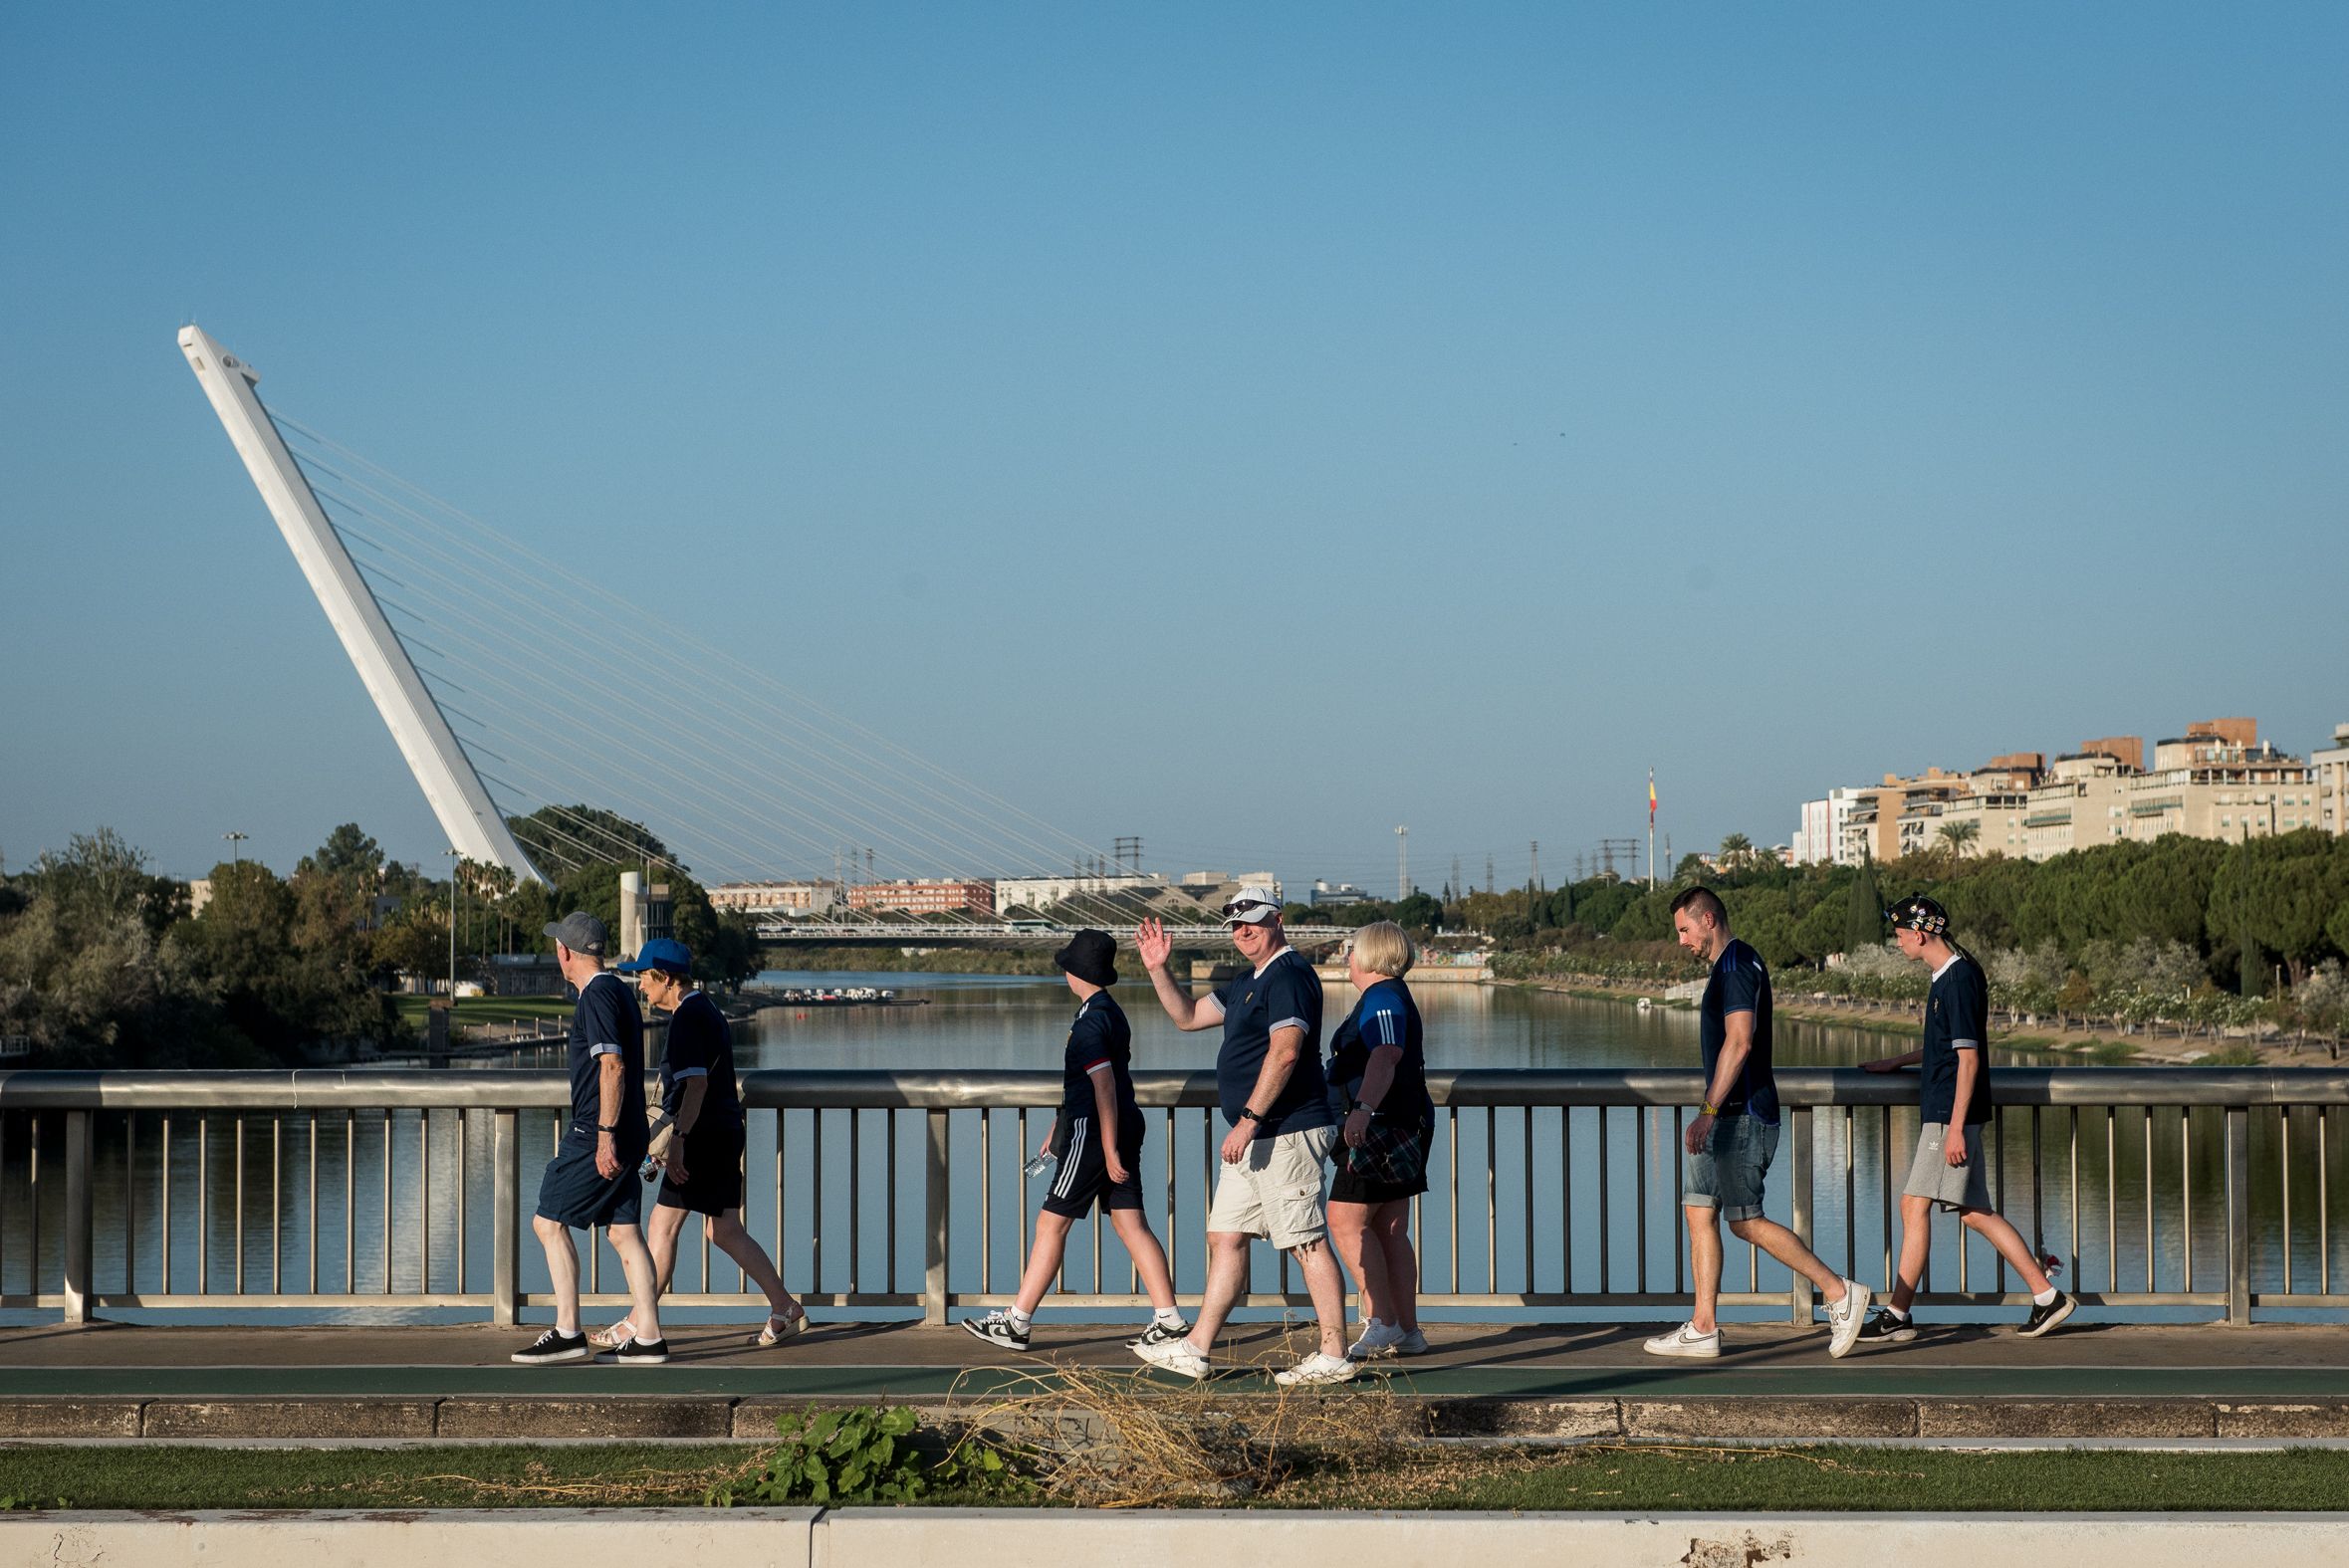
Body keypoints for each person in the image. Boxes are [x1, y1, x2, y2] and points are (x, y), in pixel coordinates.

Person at [1130, 888, 1354, 1386]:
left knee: (1306, 1241)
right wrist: (1156, 968)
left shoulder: (1290, 975)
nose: (1242, 932)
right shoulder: (1246, 981)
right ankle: (1196, 1349)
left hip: (1285, 1129)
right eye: (1234, 926)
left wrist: (1250, 1119)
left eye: (1251, 921)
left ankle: (1335, 1354)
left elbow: (1287, 1052)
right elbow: (1187, 1018)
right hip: (1255, 1136)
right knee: (1226, 1236)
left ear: (1277, 919)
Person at [1645, 887, 1872, 1359]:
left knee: (1745, 1221)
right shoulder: (1728, 967)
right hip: (1724, 1114)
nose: (1682, 941)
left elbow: (1740, 1042)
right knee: (1698, 1209)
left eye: (1684, 930)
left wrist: (1708, 1111)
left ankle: (1839, 1292)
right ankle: (1704, 1327)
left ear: (1708, 919)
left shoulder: (1736, 966)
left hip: (1742, 1116)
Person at [1856, 895, 2076, 1344]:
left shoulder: (1956, 980)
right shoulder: (1953, 974)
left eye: (1898, 936)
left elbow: (1969, 1060)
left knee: (1912, 1205)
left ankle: (1897, 1313)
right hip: (1949, 1114)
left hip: (1947, 1117)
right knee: (1974, 1214)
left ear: (1918, 934)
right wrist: (1895, 1063)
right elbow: (1946, 1046)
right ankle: (2046, 1296)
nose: (1897, 944)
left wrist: (1955, 1127)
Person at [961, 929, 1187, 1354]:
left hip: (1096, 1131)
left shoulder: (1088, 1022)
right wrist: (1059, 1129)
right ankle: (1170, 1319)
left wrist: (1105, 1146)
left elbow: (1102, 1087)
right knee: (1130, 1223)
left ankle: (1017, 1323)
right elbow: (1096, 1084)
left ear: (1071, 971)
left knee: (1052, 1222)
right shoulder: (1111, 1012)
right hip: (1116, 1124)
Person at [588, 937, 807, 1351]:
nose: (639, 986)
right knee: (724, 1230)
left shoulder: (688, 1018)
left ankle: (639, 1322)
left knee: (662, 1226)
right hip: (724, 1132)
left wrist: (680, 1143)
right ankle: (785, 1307)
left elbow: (696, 1085)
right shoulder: (707, 1009)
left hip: (702, 1138)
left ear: (665, 977)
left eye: (643, 977)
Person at [511, 911, 667, 1365]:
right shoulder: (618, 991)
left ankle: (567, 1330)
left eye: (555, 946)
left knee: (548, 1222)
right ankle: (649, 1337)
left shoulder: (596, 997)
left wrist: (603, 1136)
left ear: (565, 952)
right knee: (624, 1233)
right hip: (630, 1128)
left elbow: (612, 1066)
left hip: (597, 1130)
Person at [1323, 921, 1434, 1360]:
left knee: (1344, 1221)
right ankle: (1407, 1330)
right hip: (1401, 1124)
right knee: (1389, 1229)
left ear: (1370, 955)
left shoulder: (1383, 998)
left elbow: (1386, 1054)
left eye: (1351, 949)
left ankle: (1383, 1321)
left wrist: (1362, 1110)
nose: (1346, 956)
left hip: (1382, 1129)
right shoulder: (1387, 997)